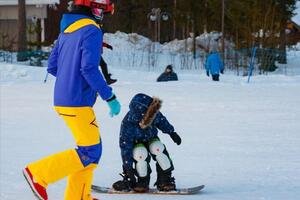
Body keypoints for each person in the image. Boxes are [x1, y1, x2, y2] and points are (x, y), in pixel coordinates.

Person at [23, 1, 120, 200]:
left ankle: (79, 196)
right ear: (94, 9)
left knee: (90, 151)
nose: (103, 16)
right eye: (103, 11)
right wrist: (109, 96)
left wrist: (69, 81)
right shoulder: (92, 30)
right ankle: (38, 174)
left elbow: (52, 66)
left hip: (63, 99)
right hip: (78, 103)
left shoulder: (66, 31)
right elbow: (89, 69)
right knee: (91, 151)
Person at [112, 93, 182, 193]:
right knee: (140, 154)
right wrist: (128, 168)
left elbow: (162, 121)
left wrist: (172, 132)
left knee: (158, 149)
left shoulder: (153, 113)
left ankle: (165, 181)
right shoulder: (128, 123)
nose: (154, 114)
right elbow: (125, 146)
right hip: (137, 143)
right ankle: (142, 182)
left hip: (151, 138)